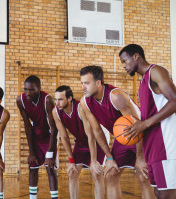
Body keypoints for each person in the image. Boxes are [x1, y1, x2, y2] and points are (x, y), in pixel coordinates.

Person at [79, 65, 155, 199]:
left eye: (86, 83)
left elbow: (137, 126)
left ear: (98, 83)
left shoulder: (116, 96)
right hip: (123, 138)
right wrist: (109, 158)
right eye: (82, 83)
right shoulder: (85, 102)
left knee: (143, 175)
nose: (82, 87)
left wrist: (140, 158)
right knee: (110, 174)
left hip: (143, 135)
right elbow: (97, 131)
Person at [119, 44, 176, 199]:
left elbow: (175, 101)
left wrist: (143, 124)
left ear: (136, 56)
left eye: (125, 61)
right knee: (158, 192)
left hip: (166, 145)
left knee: (167, 194)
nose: (124, 66)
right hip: (153, 146)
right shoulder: (143, 81)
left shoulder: (156, 71)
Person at [52, 85, 105, 199]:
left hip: (97, 141)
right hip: (81, 142)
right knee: (72, 173)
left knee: (96, 173)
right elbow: (64, 137)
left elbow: (91, 135)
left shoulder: (81, 108)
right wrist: (71, 161)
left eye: (60, 99)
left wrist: (94, 160)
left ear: (70, 98)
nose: (57, 103)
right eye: (56, 99)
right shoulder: (56, 112)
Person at [16, 75, 59, 199]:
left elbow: (53, 128)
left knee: (50, 168)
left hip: (50, 135)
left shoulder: (47, 100)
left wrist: (50, 154)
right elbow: (27, 126)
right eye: (25, 89)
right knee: (33, 166)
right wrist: (31, 151)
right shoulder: (21, 100)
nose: (27, 93)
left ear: (39, 89)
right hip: (36, 134)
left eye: (31, 90)